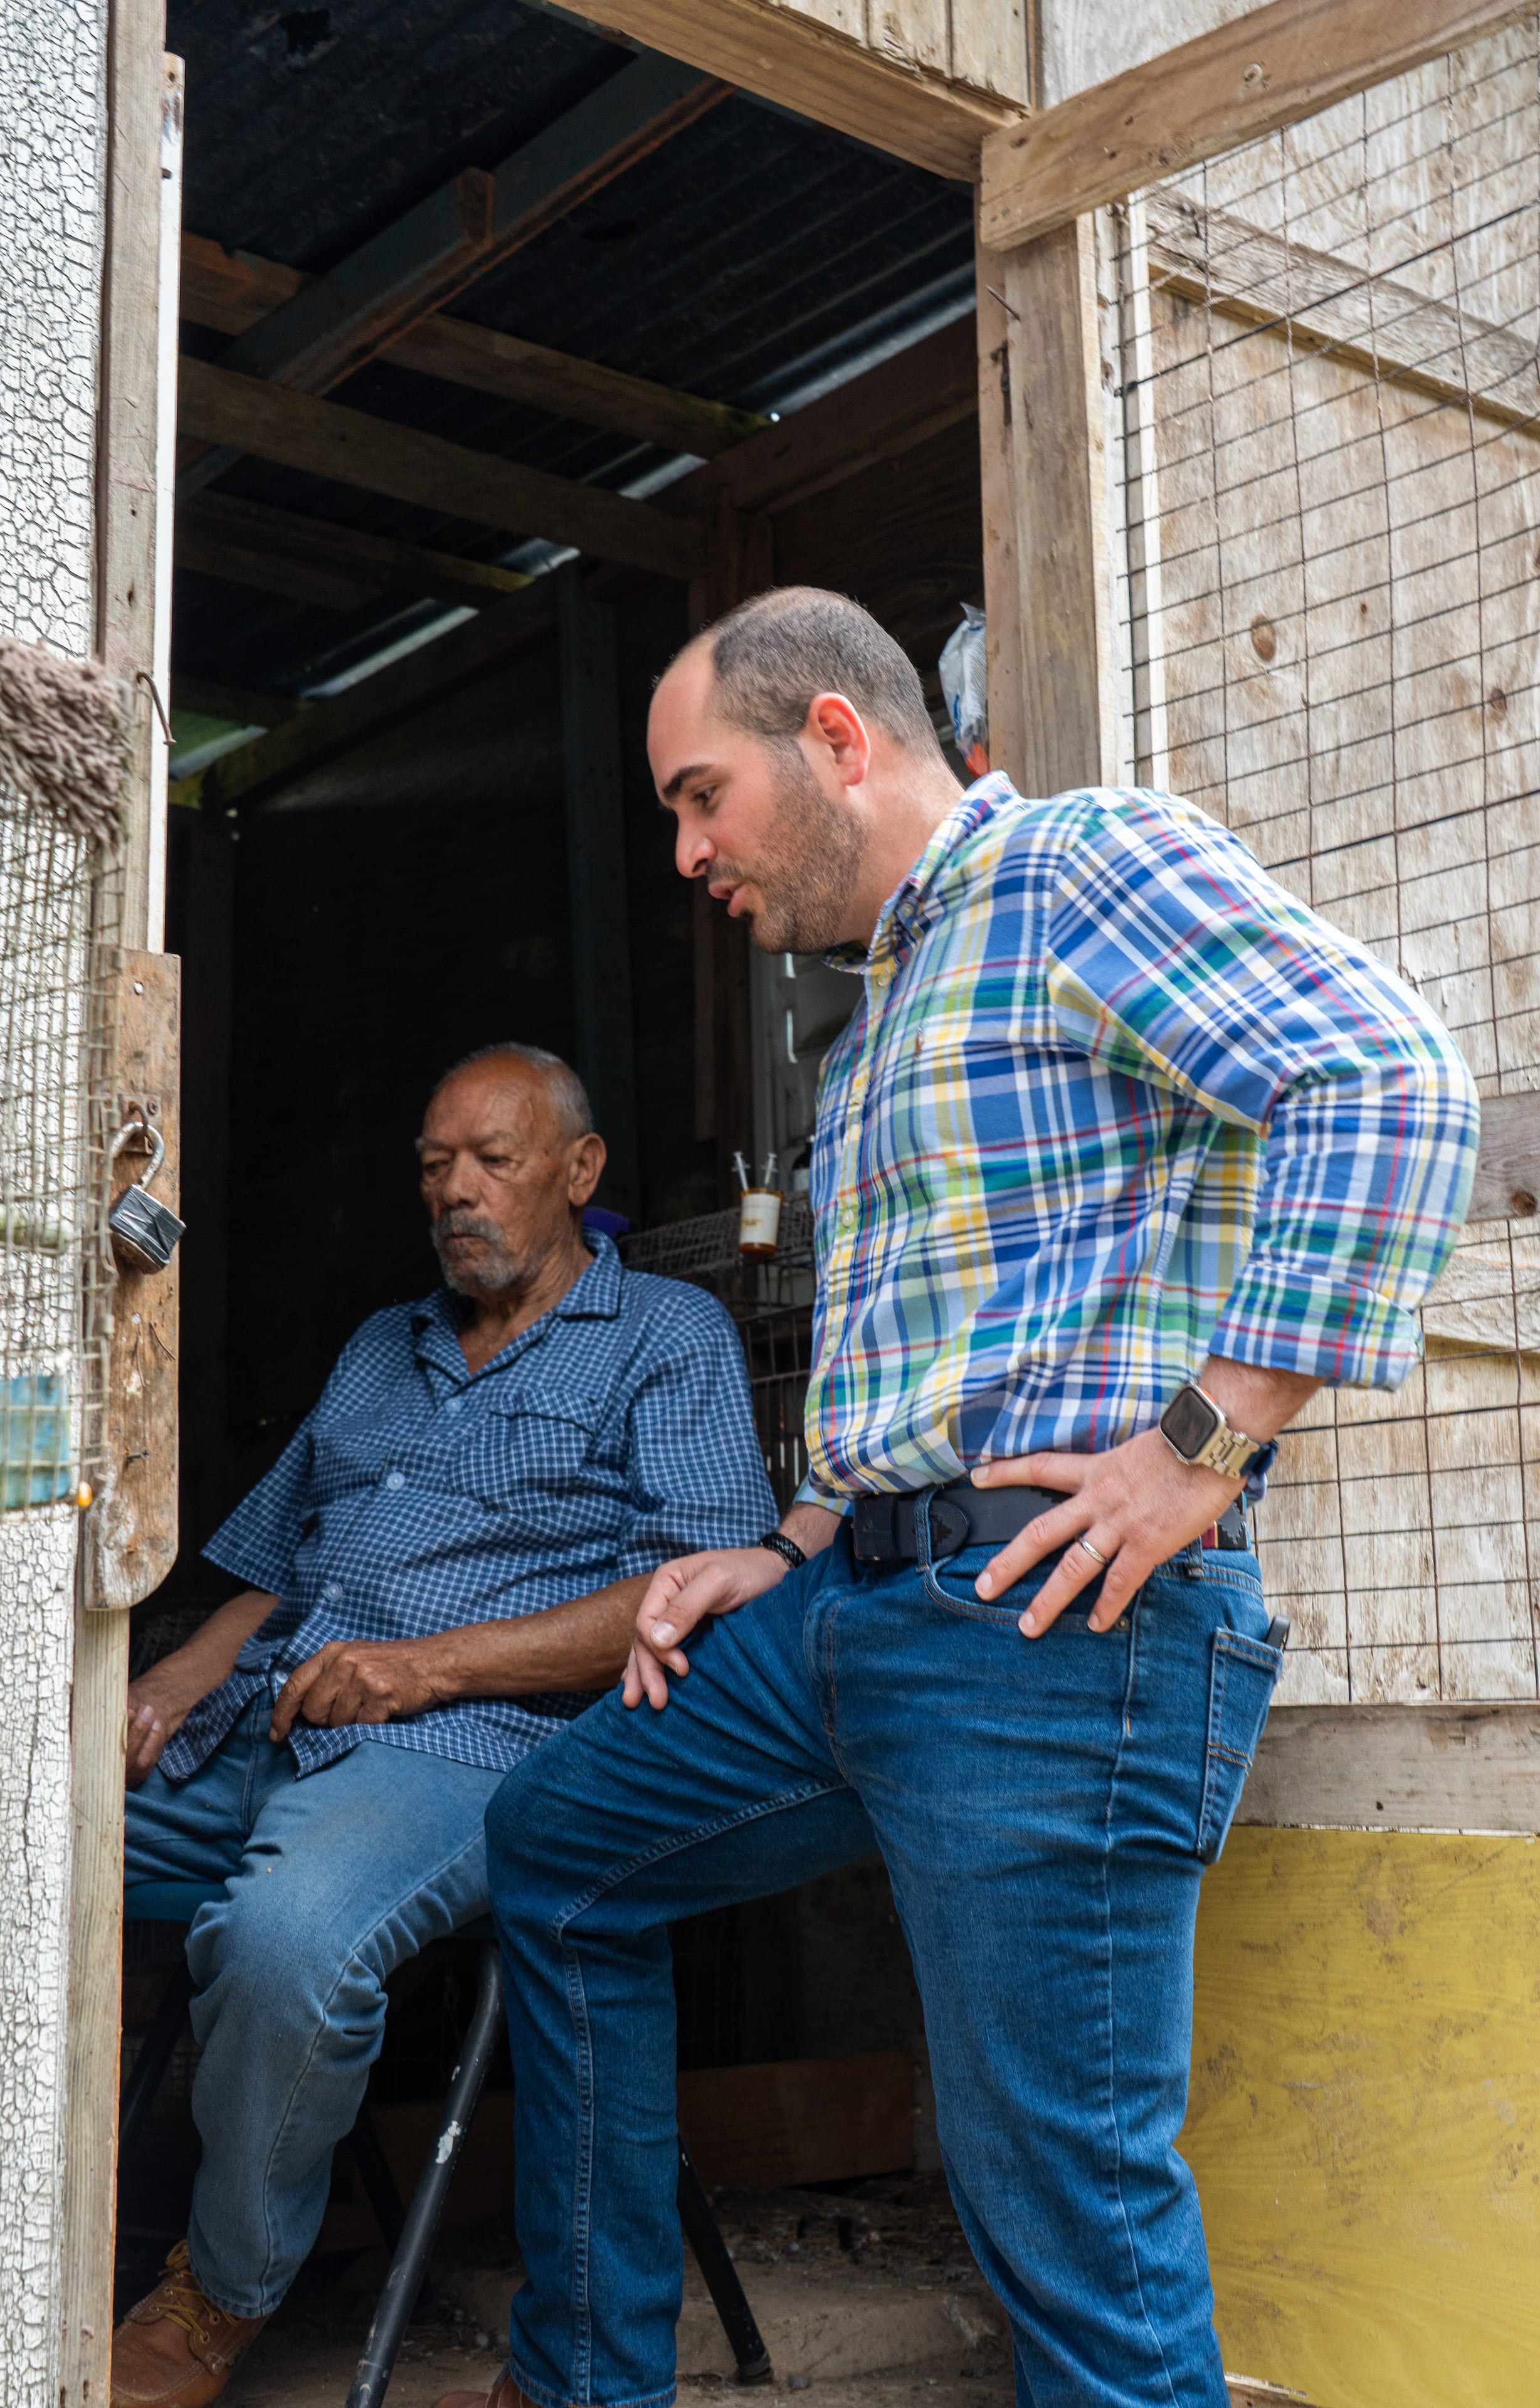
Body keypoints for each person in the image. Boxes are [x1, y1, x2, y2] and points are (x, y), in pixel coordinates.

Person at [441, 591, 1479, 2408]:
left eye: (700, 797)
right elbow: (921, 1371)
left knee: (1059, 2219)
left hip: (1050, 1634)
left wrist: (1203, 1444)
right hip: (851, 1610)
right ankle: (589, 2378)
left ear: (836, 739)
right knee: (557, 1846)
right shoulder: (878, 1023)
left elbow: (1388, 1084)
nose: (686, 854)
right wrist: (781, 1546)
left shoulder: (1077, 867)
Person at [111, 1043, 776, 2408]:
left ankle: (214, 2299)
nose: (454, 1191)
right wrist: (175, 1679)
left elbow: (690, 1590)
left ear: (579, 1171)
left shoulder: (666, 1337)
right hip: (258, 1718)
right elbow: (280, 1571)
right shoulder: (382, 1345)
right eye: (433, 1166)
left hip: (469, 1750)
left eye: (491, 1161)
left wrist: (423, 1671)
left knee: (286, 1942)